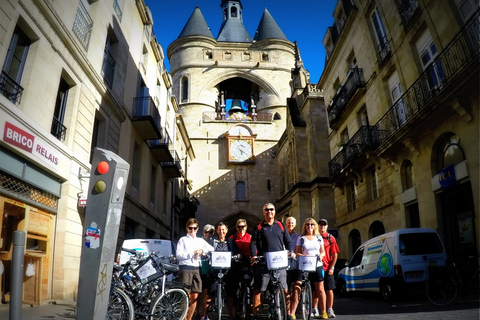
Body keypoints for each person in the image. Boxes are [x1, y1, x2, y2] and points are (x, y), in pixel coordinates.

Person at [250, 203, 294, 320]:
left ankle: (288, 313)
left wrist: (291, 251)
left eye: (272, 209)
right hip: (264, 262)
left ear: (274, 212)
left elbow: (288, 241)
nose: (269, 211)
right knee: (258, 290)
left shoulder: (280, 225)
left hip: (279, 262)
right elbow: (253, 242)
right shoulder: (259, 227)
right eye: (267, 210)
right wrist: (254, 255)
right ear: (263, 212)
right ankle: (255, 315)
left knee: (285, 289)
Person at [176, 218, 214, 320]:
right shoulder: (183, 240)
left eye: (194, 228)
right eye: (190, 228)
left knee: (195, 296)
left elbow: (212, 249)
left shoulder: (200, 240)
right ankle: (184, 318)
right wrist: (193, 252)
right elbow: (179, 255)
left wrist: (202, 250)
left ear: (197, 229)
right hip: (185, 269)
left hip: (196, 269)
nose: (192, 230)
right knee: (185, 296)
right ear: (187, 228)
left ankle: (190, 318)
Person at [289, 218, 327, 320]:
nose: (309, 226)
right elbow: (297, 252)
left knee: (320, 289)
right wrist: (304, 255)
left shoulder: (319, 238)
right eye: (307, 224)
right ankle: (292, 313)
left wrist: (321, 256)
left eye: (311, 224)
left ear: (314, 226)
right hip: (304, 264)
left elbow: (323, 251)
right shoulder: (301, 238)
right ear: (305, 226)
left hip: (317, 264)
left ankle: (324, 312)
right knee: (297, 287)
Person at [228, 219, 252, 319]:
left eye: (243, 226)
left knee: (250, 287)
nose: (241, 228)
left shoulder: (250, 237)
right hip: (237, 264)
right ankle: (237, 312)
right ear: (236, 228)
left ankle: (249, 311)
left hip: (249, 263)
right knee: (236, 290)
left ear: (246, 227)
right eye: (239, 227)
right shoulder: (232, 238)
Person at [318, 219, 340, 318]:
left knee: (329, 289)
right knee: (316, 290)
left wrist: (332, 266)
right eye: (320, 224)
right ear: (318, 226)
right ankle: (315, 309)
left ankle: (330, 309)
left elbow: (335, 254)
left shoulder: (331, 238)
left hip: (327, 267)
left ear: (327, 226)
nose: (322, 226)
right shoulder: (315, 237)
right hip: (317, 267)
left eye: (324, 225)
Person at [198, 224, 215, 320]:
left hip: (209, 271)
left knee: (206, 293)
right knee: (197, 294)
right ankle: (196, 313)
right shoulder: (198, 241)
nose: (208, 234)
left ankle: (203, 314)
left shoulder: (214, 242)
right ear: (203, 232)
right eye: (206, 232)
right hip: (199, 270)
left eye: (210, 232)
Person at [286, 217, 300, 288]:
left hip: (295, 265)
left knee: (295, 286)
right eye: (289, 223)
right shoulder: (281, 236)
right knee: (285, 287)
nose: (290, 224)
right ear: (286, 224)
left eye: (292, 223)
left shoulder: (298, 237)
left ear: (295, 225)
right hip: (284, 265)